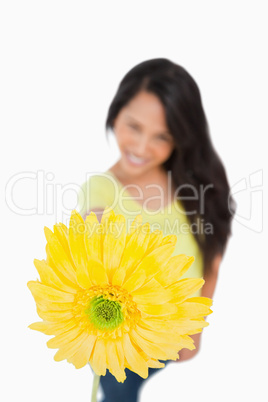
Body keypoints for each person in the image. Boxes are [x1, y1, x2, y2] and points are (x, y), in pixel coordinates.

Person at [78, 58, 236, 402]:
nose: (141, 147)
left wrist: (195, 331)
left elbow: (211, 258)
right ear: (115, 113)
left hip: (172, 336)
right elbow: (94, 247)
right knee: (120, 395)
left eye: (162, 136)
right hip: (121, 341)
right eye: (133, 126)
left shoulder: (194, 185)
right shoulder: (102, 190)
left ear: (181, 138)